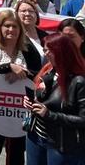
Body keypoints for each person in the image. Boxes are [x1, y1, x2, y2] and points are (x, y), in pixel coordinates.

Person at [0, 9, 43, 165]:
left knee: (16, 154)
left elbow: (39, 74)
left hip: (21, 110)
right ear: (0, 27)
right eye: (7, 26)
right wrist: (8, 67)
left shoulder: (28, 48)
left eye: (15, 26)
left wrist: (21, 72)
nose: (11, 30)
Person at [24, 34, 85, 165]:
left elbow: (83, 119)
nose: (45, 54)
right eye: (44, 49)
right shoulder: (48, 72)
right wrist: (31, 103)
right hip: (36, 135)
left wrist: (49, 114)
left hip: (60, 142)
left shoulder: (79, 81)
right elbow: (44, 100)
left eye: (48, 50)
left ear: (60, 51)